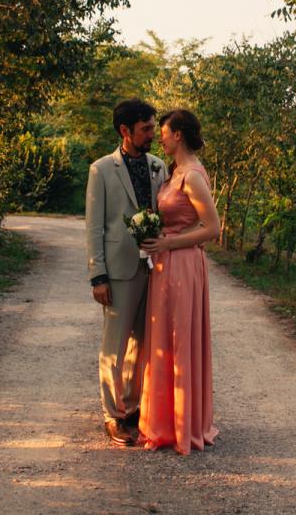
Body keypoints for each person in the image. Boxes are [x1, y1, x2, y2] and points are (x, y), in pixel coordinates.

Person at [85, 98, 169, 447]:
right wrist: (98, 275)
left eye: (152, 128)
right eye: (146, 128)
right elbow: (94, 227)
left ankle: (133, 408)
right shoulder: (101, 170)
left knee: (142, 344)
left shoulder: (158, 166)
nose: (152, 134)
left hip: (153, 269)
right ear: (125, 131)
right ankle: (112, 415)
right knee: (114, 346)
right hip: (118, 271)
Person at [137, 108, 220, 455]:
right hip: (165, 266)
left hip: (184, 265)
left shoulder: (193, 176)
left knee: (180, 339)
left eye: (166, 132)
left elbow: (213, 228)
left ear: (179, 135)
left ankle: (184, 425)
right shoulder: (174, 172)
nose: (160, 137)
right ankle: (164, 423)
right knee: (163, 340)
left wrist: (168, 242)